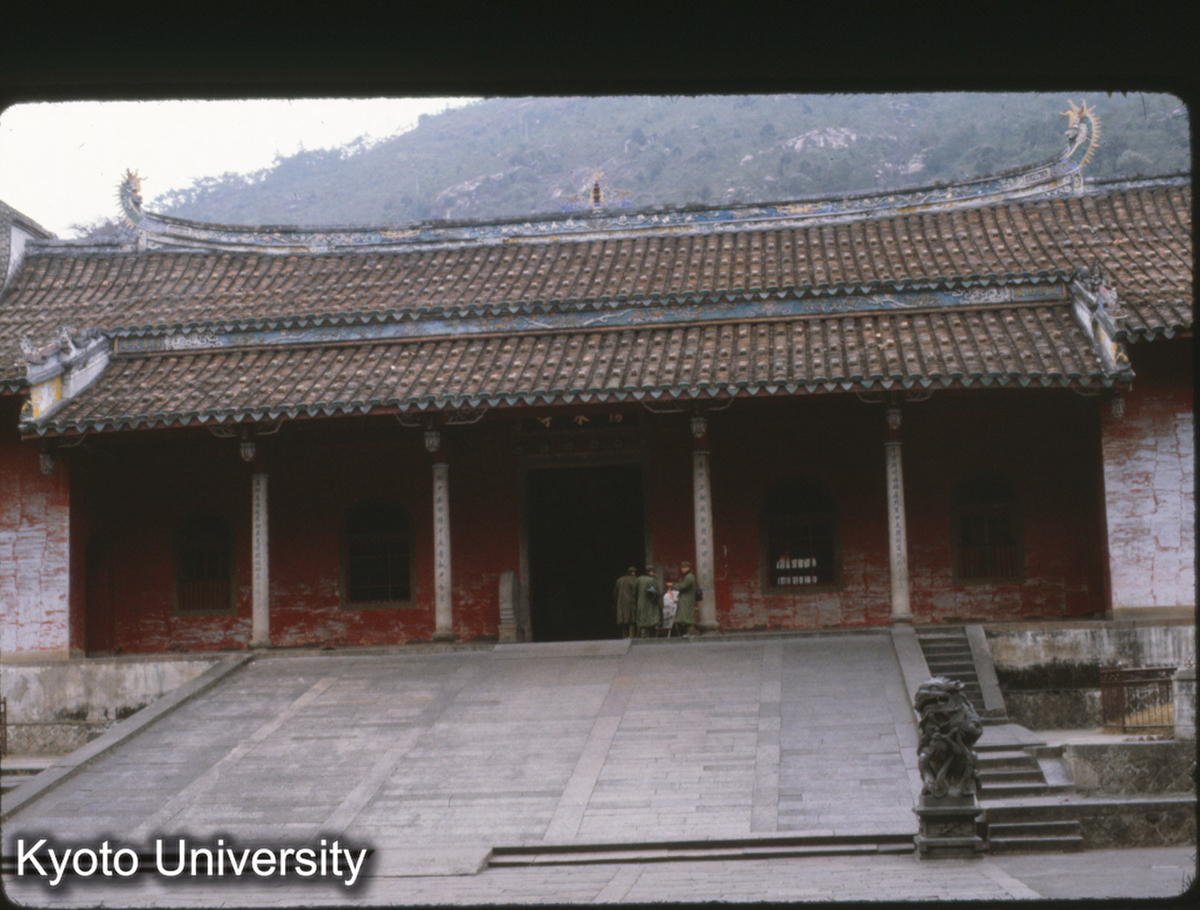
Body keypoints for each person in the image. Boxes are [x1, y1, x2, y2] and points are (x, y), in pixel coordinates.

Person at [671, 560, 697, 636]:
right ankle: (688, 633)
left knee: (687, 618)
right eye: (682, 567)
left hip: (687, 600)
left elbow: (682, 586)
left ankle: (690, 633)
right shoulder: (687, 576)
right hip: (685, 600)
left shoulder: (689, 577)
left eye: (684, 567)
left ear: (688, 568)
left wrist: (673, 585)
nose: (683, 569)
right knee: (685, 617)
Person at [635, 565, 661, 638]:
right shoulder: (653, 579)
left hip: (641, 604)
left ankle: (643, 637)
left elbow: (634, 592)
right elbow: (657, 593)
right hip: (652, 604)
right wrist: (660, 605)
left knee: (643, 623)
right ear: (652, 572)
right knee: (652, 622)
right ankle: (652, 637)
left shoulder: (638, 579)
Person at [614, 566, 638, 638]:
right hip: (631, 603)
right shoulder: (634, 580)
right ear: (634, 573)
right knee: (632, 620)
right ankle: (631, 636)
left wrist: (617, 602)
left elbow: (615, 593)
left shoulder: (619, 580)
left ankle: (624, 636)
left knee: (623, 620)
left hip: (620, 603)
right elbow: (636, 592)